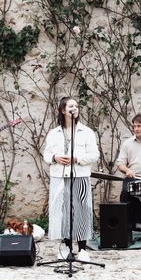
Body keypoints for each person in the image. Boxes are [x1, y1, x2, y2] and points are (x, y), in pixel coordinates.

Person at [43, 97, 100, 262]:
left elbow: (94, 155)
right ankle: (66, 246)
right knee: (63, 212)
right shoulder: (54, 133)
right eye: (70, 106)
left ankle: (82, 249)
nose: (74, 108)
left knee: (81, 211)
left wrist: (77, 159)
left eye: (76, 106)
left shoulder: (86, 132)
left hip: (80, 176)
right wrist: (55, 157)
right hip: (59, 177)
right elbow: (46, 154)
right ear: (63, 110)